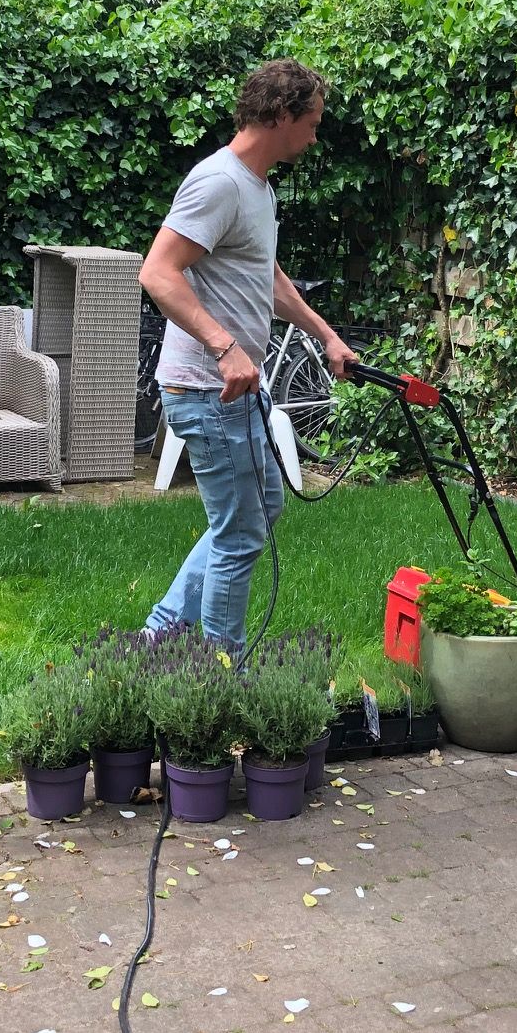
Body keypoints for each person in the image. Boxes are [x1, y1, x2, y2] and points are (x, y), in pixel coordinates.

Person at [140, 58, 358, 650]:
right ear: (282, 115)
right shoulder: (218, 182)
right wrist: (227, 347)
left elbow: (268, 277)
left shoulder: (255, 187)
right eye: (310, 122)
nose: (315, 135)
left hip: (234, 390)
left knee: (257, 512)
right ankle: (220, 676)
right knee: (240, 535)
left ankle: (160, 635)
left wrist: (326, 334)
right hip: (208, 389)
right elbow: (158, 273)